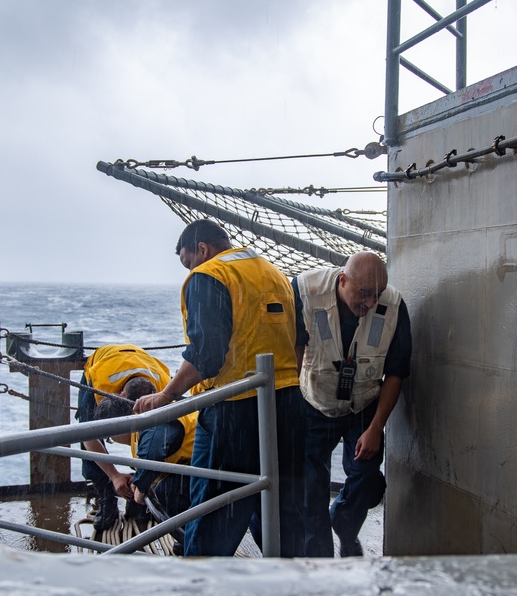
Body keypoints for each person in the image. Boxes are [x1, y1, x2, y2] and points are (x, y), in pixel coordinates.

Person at [134, 219, 306, 557]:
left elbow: (206, 355)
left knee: (212, 509)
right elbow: (300, 340)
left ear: (202, 249)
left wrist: (166, 396)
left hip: (234, 409)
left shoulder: (210, 275)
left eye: (188, 261)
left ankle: (202, 591)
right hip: (286, 403)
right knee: (278, 505)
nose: (190, 268)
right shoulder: (275, 274)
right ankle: (291, 585)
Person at [294, 251, 412, 557]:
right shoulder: (305, 291)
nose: (371, 303)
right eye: (364, 294)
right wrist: (290, 413)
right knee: (309, 489)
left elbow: (397, 371)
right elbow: (290, 353)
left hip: (364, 405)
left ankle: (345, 525)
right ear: (343, 280)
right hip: (313, 402)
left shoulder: (394, 306)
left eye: (377, 295)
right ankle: (318, 561)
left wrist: (376, 428)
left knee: (367, 478)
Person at [76, 344, 191, 536]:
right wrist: (113, 476)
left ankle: (140, 489)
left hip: (145, 364)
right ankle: (106, 497)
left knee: (155, 437)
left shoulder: (164, 387)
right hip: (103, 365)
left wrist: (142, 480)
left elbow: (155, 441)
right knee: (87, 428)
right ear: (122, 395)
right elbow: (88, 436)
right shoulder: (98, 383)